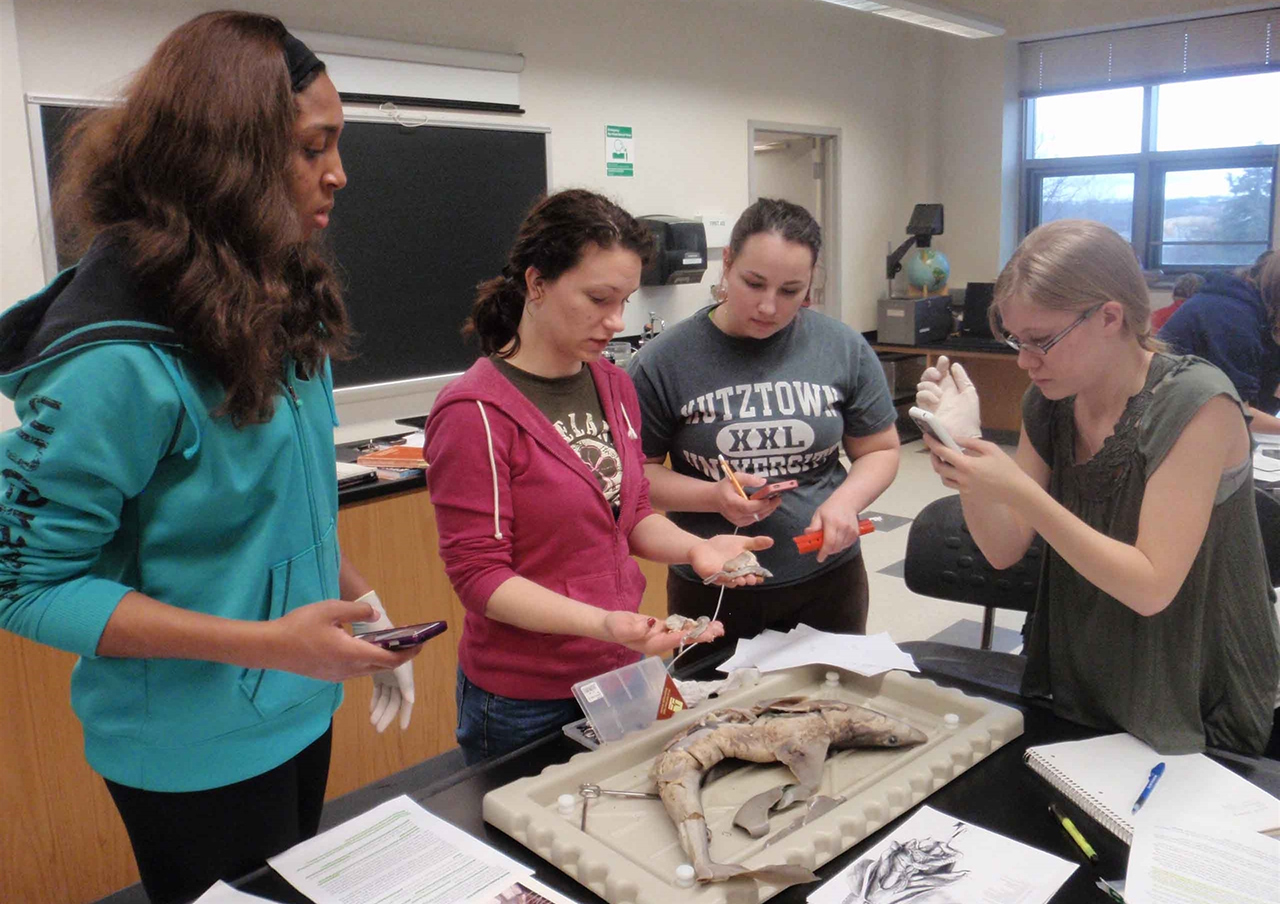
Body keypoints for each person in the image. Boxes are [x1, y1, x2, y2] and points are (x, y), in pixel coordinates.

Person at [0, 13, 423, 903]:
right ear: (227, 158)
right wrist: (269, 643)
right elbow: (27, 586)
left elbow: (283, 498)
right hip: (191, 750)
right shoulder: (113, 359)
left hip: (298, 704)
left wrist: (356, 601)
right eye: (315, 147)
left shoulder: (275, 290)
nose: (339, 174)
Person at [423, 189, 772, 764]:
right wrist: (607, 624)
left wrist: (697, 548)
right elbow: (481, 577)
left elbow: (629, 514)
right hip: (526, 696)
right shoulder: (475, 413)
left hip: (624, 670)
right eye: (598, 299)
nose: (615, 321)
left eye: (625, 300)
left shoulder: (613, 384)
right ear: (536, 284)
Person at [917, 219, 1279, 756]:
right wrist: (968, 457)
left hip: (1191, 676)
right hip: (1088, 664)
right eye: (1016, 340)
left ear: (1110, 316)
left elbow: (1152, 586)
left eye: (1042, 341)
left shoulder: (1198, 403)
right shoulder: (1050, 401)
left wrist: (1017, 490)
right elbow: (1002, 549)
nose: (1024, 360)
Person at [628, 198, 900, 655]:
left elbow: (880, 449)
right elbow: (639, 477)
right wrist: (713, 496)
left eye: (791, 290)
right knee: (716, 720)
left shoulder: (842, 347)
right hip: (713, 586)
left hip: (826, 578)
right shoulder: (664, 361)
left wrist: (845, 502)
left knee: (832, 714)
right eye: (753, 283)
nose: (769, 307)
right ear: (727, 264)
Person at [1158, 251, 1280, 433]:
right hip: (1164, 427)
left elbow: (1264, 401)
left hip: (1190, 423)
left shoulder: (1251, 312)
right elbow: (1235, 412)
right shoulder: (1231, 316)